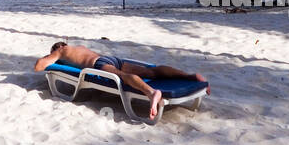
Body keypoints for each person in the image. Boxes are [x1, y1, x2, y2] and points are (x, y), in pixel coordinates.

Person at [33, 41, 207, 120]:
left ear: (58, 47)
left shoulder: (61, 51)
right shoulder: (80, 47)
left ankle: (151, 92)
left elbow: (39, 66)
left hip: (98, 63)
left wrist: (52, 57)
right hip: (111, 58)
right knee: (151, 72)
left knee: (121, 77)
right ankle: (190, 77)